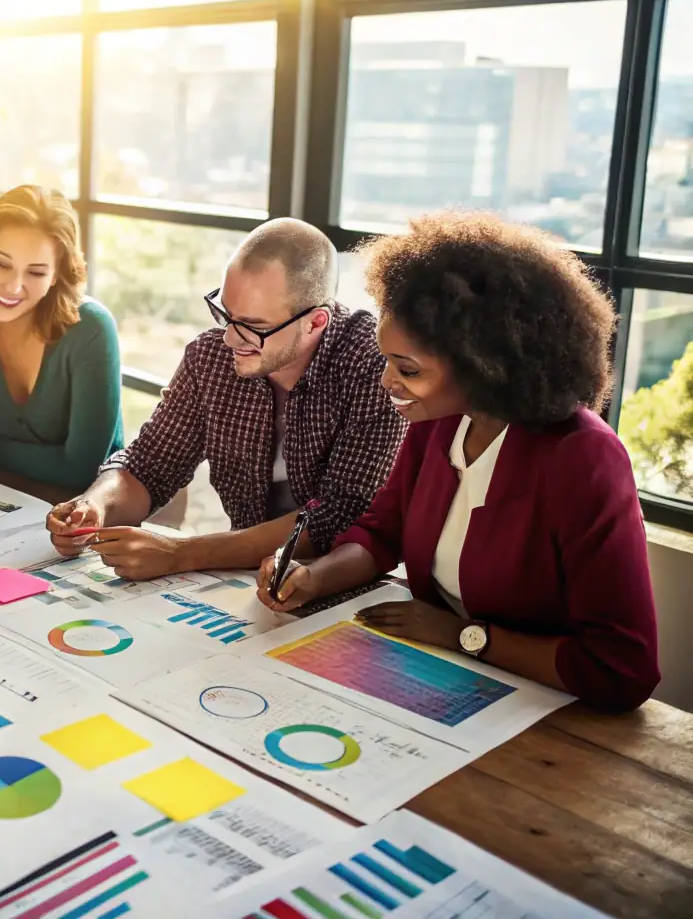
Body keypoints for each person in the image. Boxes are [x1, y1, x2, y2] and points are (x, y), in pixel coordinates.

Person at [256, 212, 660, 712]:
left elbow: (623, 667)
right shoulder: (439, 422)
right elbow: (383, 533)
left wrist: (466, 636)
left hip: (541, 713)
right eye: (387, 360)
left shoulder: (584, 459)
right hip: (433, 685)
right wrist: (313, 578)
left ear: (485, 365)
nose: (387, 381)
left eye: (407, 369)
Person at [46, 217, 407, 578]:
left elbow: (338, 516)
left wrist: (180, 554)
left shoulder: (373, 367)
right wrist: (95, 506)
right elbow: (150, 463)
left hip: (342, 582)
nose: (231, 339)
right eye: (227, 314)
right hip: (240, 577)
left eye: (253, 326)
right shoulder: (210, 357)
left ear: (315, 322)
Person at [0, 185, 124, 493]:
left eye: (35, 272)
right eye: (1, 264)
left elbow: (80, 470)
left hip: (85, 517)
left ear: (56, 276)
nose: (14, 287)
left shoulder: (91, 329)